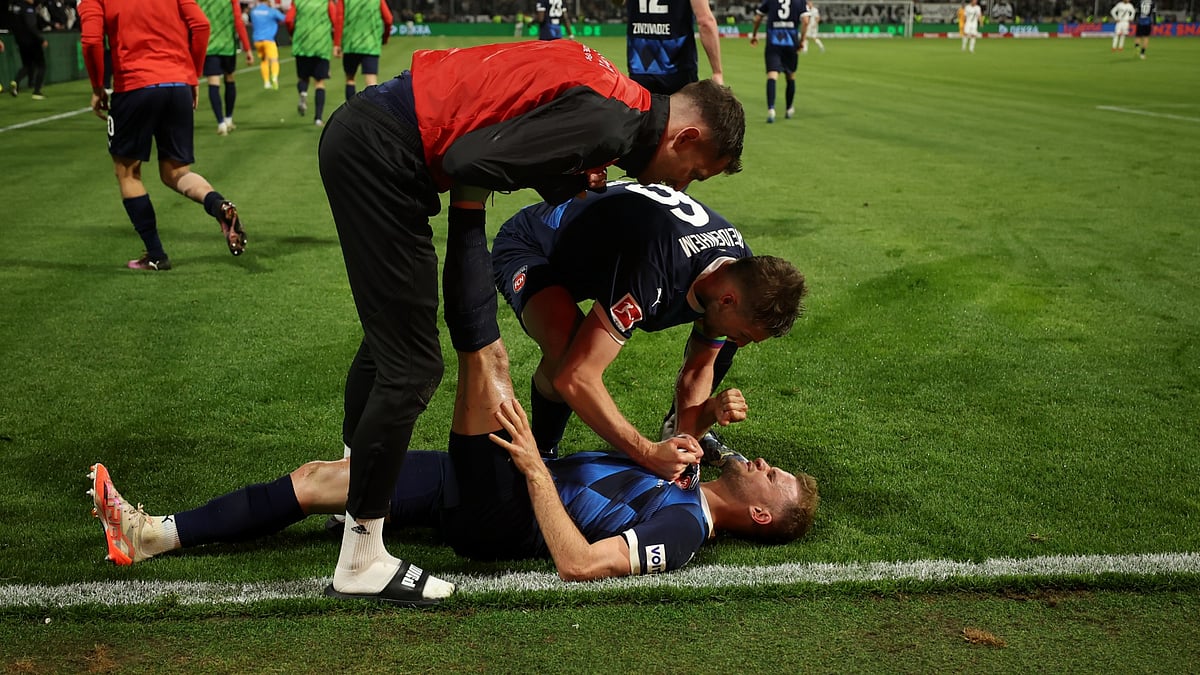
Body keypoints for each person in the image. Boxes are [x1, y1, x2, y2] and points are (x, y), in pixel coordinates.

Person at [317, 39, 745, 604]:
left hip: (376, 128)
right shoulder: (614, 127)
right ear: (686, 137)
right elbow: (470, 161)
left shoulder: (613, 89)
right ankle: (362, 555)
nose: (680, 187)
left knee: (390, 342)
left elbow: (506, 116)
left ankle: (358, 489)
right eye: (695, 172)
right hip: (388, 152)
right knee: (413, 368)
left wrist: (566, 174)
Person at [86, 338, 819, 589]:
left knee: (487, 357)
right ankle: (151, 534)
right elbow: (676, 423)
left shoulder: (686, 529)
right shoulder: (690, 477)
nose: (764, 462)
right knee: (318, 481)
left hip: (501, 512)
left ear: (760, 512)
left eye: (774, 476)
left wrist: (535, 467)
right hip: (507, 480)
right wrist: (707, 413)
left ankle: (460, 216)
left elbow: (584, 564)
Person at [492, 181, 806, 480]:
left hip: (605, 253)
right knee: (568, 353)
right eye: (745, 335)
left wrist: (683, 444)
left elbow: (699, 369)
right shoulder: (656, 269)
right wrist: (647, 453)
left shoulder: (736, 273)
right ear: (727, 300)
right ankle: (544, 452)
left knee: (582, 350)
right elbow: (576, 378)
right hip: (534, 243)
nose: (741, 344)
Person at [79, 0, 249, 270]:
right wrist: (191, 76)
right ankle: (219, 206)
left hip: (135, 85)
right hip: (178, 84)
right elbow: (201, 26)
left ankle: (156, 254)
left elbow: (90, 41)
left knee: (128, 172)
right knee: (177, 172)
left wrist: (98, 86)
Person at [622, 0, 724, 95]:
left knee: (647, 113)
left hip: (640, 66)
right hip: (678, 69)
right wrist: (717, 72)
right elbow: (705, 21)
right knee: (681, 113)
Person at [197, 0, 253, 136]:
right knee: (229, 78)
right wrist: (247, 48)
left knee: (213, 82)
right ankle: (228, 119)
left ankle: (221, 122)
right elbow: (238, 21)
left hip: (209, 46)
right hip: (227, 47)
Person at [286, 0, 342, 127]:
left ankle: (303, 93)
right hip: (321, 45)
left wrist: (293, 33)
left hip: (302, 44)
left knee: (302, 77)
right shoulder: (326, 2)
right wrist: (337, 42)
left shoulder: (298, 2)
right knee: (319, 82)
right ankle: (318, 118)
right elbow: (336, 21)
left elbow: (289, 19)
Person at [750, 0, 805, 123]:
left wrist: (754, 34)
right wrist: (802, 41)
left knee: (772, 75)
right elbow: (805, 21)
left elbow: (758, 17)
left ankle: (771, 109)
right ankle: (789, 108)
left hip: (774, 42)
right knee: (790, 75)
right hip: (791, 42)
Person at [339, 0, 392, 100]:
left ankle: (351, 111)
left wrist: (337, 43)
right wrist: (385, 37)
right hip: (370, 44)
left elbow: (339, 19)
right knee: (371, 81)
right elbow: (388, 19)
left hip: (351, 44)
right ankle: (371, 113)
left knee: (350, 79)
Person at [9, 0, 47, 99]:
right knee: (41, 65)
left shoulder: (15, 7)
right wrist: (41, 39)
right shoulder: (28, 8)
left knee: (28, 65)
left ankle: (15, 82)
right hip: (32, 41)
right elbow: (31, 26)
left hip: (21, 41)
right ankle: (37, 91)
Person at [249, 0, 287, 89]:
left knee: (264, 61)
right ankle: (274, 77)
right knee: (274, 60)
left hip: (257, 40)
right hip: (269, 39)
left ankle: (266, 82)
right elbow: (284, 18)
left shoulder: (253, 11)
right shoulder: (271, 11)